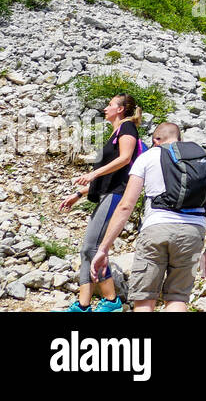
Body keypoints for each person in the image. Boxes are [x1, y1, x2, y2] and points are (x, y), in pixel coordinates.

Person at [90, 122, 206, 312]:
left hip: (155, 229)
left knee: (144, 300)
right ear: (179, 139)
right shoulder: (204, 158)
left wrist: (104, 248)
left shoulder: (148, 156)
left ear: (155, 140)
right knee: (177, 299)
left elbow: (126, 205)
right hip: (193, 234)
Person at [58, 93, 142, 312]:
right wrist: (78, 194)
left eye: (110, 104)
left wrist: (93, 175)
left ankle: (111, 301)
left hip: (116, 195)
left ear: (121, 109)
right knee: (87, 250)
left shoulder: (127, 129)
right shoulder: (115, 132)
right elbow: (109, 176)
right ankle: (83, 306)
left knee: (91, 248)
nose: (106, 108)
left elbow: (125, 159)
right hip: (107, 193)